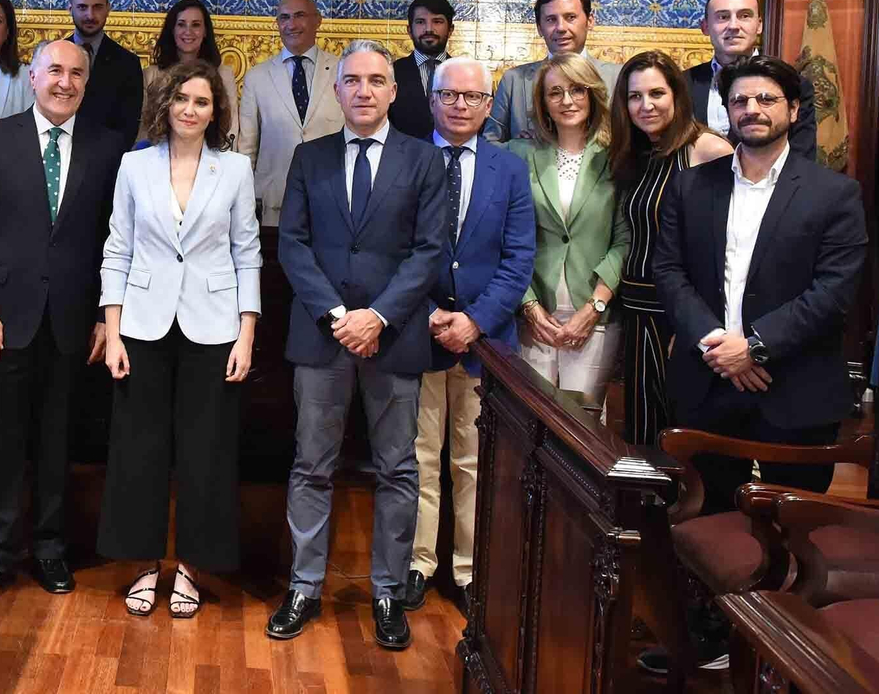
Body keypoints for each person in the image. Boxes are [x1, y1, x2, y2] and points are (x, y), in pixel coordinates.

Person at [645, 54, 866, 676]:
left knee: (792, 522)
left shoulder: (835, 193)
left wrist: (757, 346)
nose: (753, 111)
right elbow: (669, 272)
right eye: (742, 101)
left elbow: (834, 292)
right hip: (709, 378)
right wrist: (721, 344)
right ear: (727, 110)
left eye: (767, 100)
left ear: (793, 112)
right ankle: (713, 637)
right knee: (710, 514)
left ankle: (787, 650)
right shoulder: (692, 186)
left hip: (794, 388)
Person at [269, 40, 447, 651]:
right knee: (311, 465)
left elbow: (429, 252)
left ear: (394, 91)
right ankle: (304, 585)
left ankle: (389, 592)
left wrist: (378, 316)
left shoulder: (424, 161)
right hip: (323, 339)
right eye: (353, 81)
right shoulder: (308, 157)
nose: (365, 90)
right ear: (337, 90)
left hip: (392, 340)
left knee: (398, 468)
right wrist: (340, 315)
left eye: (376, 80)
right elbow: (292, 243)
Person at [0, 40, 125, 606]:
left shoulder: (107, 147)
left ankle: (50, 549)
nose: (65, 82)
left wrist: (107, 315)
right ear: (33, 77)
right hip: (2, 319)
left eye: (77, 73)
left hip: (73, 321)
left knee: (57, 441)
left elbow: (114, 239)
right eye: (55, 70)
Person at [98, 60, 261, 620]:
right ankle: (145, 564)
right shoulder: (133, 166)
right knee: (139, 449)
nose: (191, 110)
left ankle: (191, 567)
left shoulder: (236, 169)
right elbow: (117, 248)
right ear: (164, 104)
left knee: (205, 451)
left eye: (203, 101)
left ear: (217, 111)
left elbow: (248, 253)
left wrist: (246, 333)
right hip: (142, 323)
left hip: (214, 326)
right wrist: (113, 331)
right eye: (182, 99)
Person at [404, 57, 535, 614]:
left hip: (486, 338)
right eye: (449, 95)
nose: (460, 105)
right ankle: (416, 563)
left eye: (473, 97)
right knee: (417, 455)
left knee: (473, 458)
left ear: (489, 105)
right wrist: (431, 312)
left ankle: (467, 568)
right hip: (417, 331)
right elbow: (394, 251)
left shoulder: (510, 169)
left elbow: (519, 256)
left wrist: (476, 320)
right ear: (432, 100)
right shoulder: (406, 160)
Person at [607, 51, 732, 446]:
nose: (646, 105)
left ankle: (689, 508)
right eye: (634, 96)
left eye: (656, 93)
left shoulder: (705, 148)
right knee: (643, 424)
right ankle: (648, 508)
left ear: (677, 95)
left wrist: (696, 322)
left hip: (680, 312)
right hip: (637, 307)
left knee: (683, 428)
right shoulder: (639, 152)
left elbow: (729, 245)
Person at [505, 53, 629, 408]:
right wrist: (528, 305)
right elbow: (505, 238)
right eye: (555, 92)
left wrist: (593, 308)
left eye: (576, 89)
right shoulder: (518, 153)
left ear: (592, 94)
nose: (567, 100)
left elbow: (624, 240)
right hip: (533, 317)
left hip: (595, 316)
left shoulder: (617, 155)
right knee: (530, 422)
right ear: (542, 103)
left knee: (583, 427)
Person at [233, 0, 343, 226]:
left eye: (300, 16)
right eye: (284, 18)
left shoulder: (342, 71)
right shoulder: (257, 77)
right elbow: (247, 148)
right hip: (273, 203)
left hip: (333, 198)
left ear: (318, 21)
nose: (291, 24)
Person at [686, 0, 817, 159]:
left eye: (745, 16)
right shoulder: (681, 83)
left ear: (759, 25)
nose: (733, 26)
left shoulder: (793, 84)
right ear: (705, 27)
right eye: (723, 17)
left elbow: (801, 159)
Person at [488, 0, 622, 142]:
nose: (561, 28)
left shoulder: (618, 78)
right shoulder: (514, 80)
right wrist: (518, 149)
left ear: (590, 21)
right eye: (551, 20)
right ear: (539, 28)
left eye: (570, 17)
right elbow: (491, 142)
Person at [65, 0, 144, 145]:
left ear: (108, 8)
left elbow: (128, 127)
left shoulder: (128, 64)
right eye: (82, 7)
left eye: (98, 7)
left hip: (107, 161)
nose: (90, 15)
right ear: (70, 8)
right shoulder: (51, 57)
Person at [389, 0, 456, 140]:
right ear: (409, 30)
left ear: (450, 29)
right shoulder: (390, 73)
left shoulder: (465, 74)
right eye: (420, 22)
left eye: (437, 21)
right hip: (403, 159)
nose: (429, 29)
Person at [144, 0, 223, 98]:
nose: (188, 32)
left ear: (205, 31)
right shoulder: (150, 76)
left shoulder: (224, 74)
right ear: (172, 30)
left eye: (195, 25)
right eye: (181, 24)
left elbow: (230, 113)